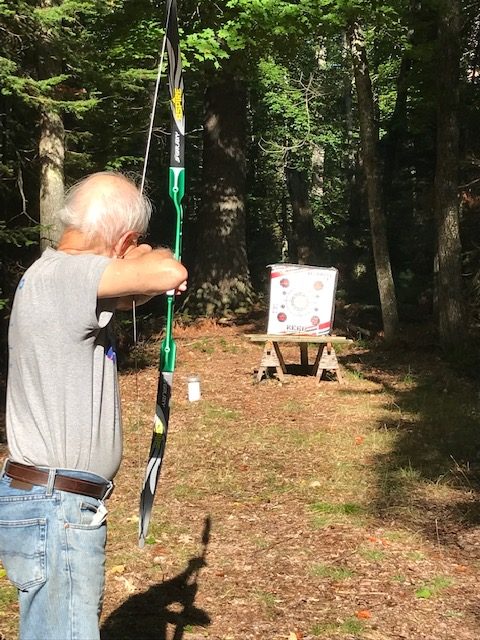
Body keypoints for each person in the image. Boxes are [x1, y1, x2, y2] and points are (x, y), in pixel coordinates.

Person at [0, 171, 188, 640]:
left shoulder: (55, 274)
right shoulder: (67, 273)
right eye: (134, 241)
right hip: (56, 504)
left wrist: (140, 267)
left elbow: (135, 293)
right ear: (123, 238)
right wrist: (154, 256)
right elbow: (169, 272)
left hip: (54, 501)